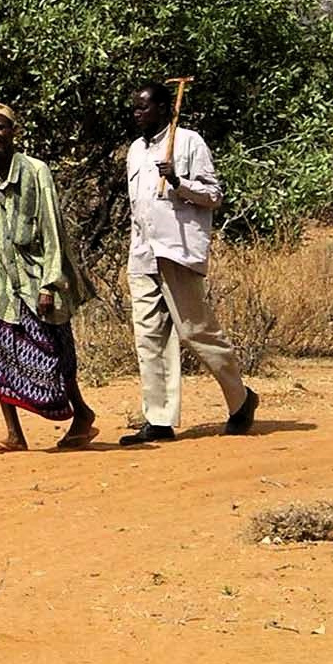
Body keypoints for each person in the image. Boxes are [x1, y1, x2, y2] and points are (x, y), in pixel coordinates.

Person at [119, 81, 258, 444]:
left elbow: (213, 195)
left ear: (165, 108)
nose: (137, 113)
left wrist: (178, 182)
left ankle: (240, 399)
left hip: (177, 251)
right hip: (143, 253)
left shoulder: (189, 142)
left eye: (144, 107)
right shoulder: (135, 150)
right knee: (149, 337)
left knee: (195, 331)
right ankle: (159, 420)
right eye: (134, 107)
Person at [0, 102, 99, 452]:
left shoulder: (36, 172)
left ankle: (82, 415)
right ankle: (14, 434)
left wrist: (50, 284)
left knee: (55, 353)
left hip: (38, 277)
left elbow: (53, 230)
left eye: (0, 127)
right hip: (7, 283)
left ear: (13, 132)